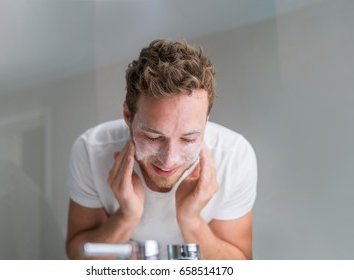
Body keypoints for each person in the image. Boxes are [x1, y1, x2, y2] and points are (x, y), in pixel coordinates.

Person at [66, 39, 257, 260]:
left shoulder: (234, 157)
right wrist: (127, 216)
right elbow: (78, 259)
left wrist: (191, 221)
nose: (169, 160)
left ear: (206, 120)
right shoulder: (92, 151)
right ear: (128, 116)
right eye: (153, 137)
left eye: (188, 138)